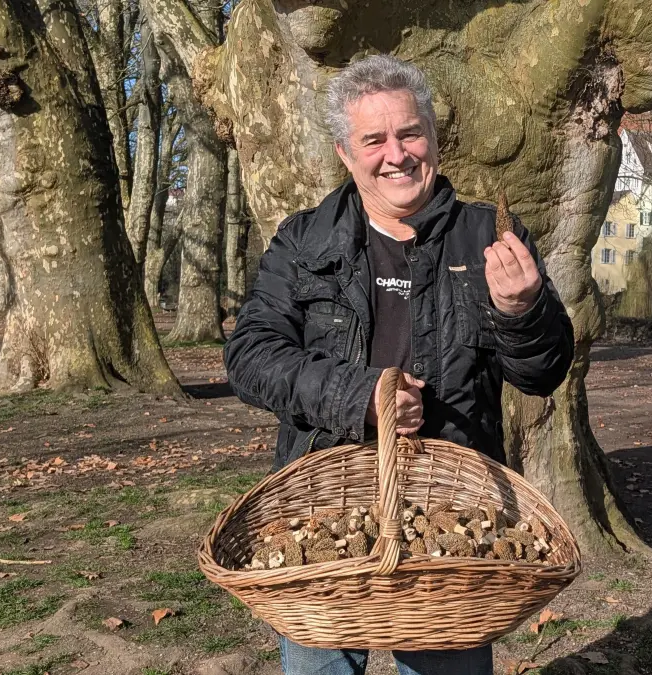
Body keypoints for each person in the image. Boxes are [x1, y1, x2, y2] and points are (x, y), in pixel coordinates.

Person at [223, 53, 574, 675]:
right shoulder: (304, 240)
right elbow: (250, 356)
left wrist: (523, 311)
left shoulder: (488, 236)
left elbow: (542, 373)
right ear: (344, 152)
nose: (397, 155)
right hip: (325, 510)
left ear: (433, 137)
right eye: (374, 140)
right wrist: (357, 396)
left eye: (411, 133)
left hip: (456, 513)